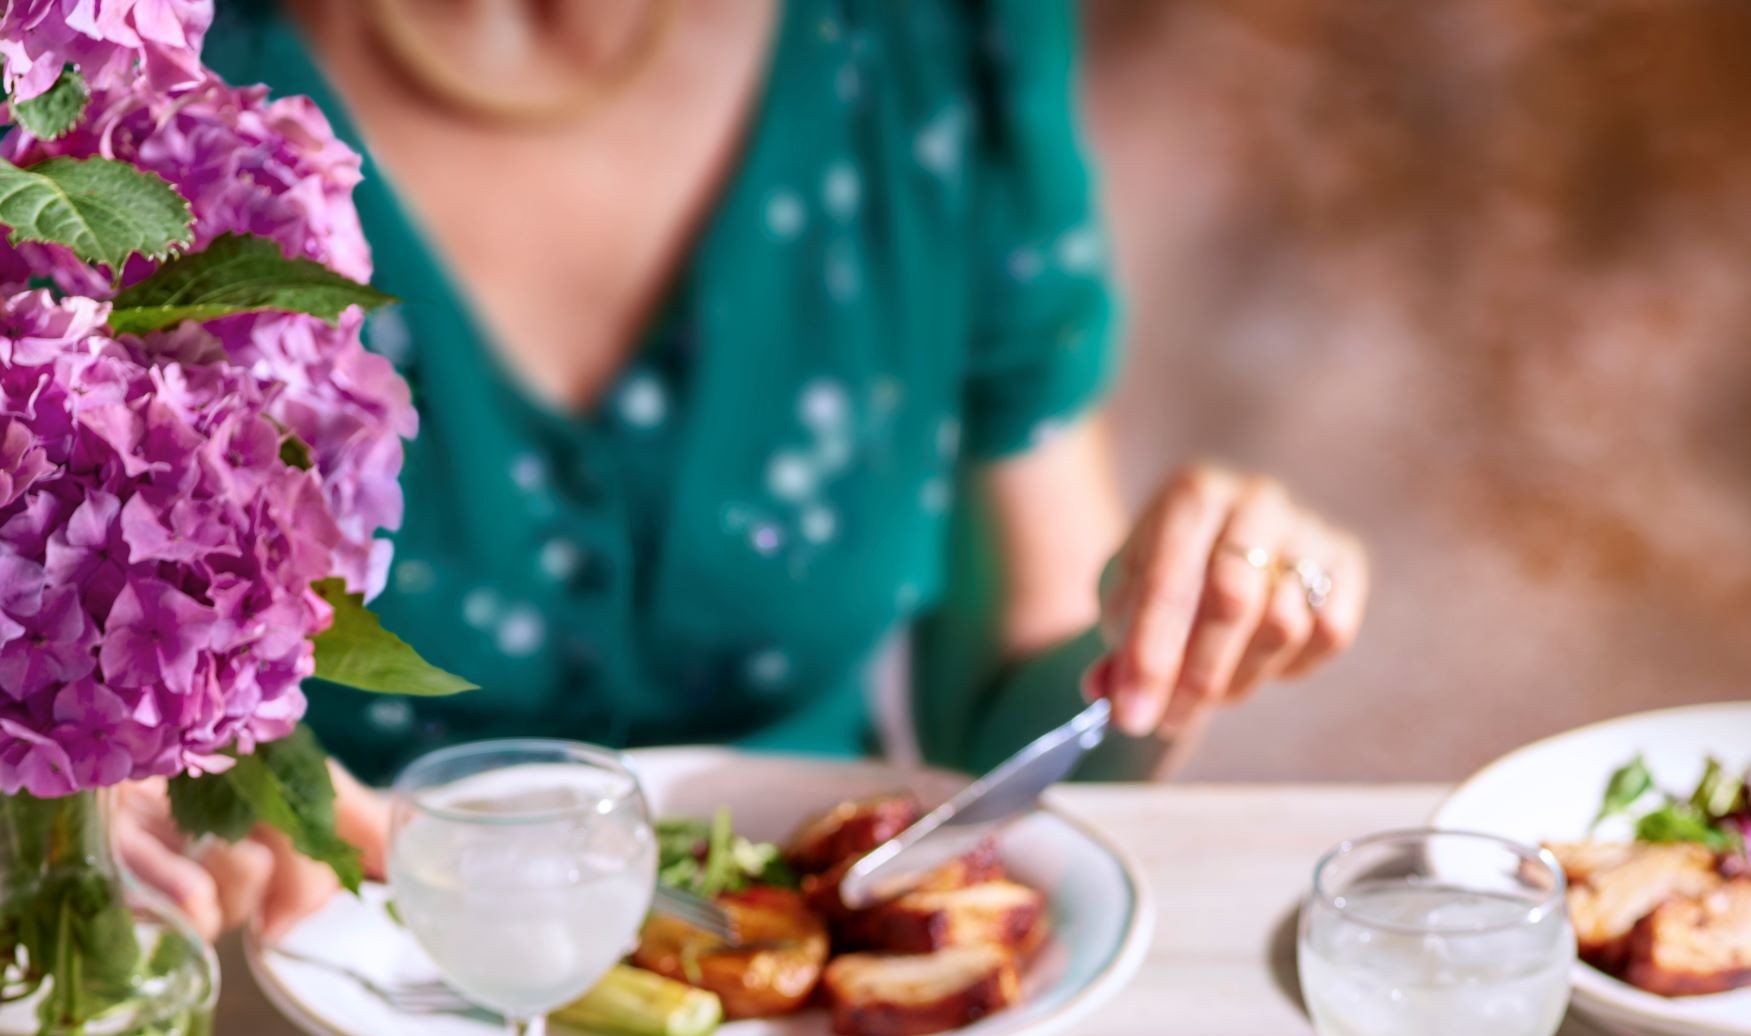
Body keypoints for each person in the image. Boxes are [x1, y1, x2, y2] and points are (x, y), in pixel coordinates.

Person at [119, 0, 1369, 937]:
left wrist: (1184, 627)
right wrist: (80, 797)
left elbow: (996, 735)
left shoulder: (938, 35)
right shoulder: (117, 72)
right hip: (299, 1013)